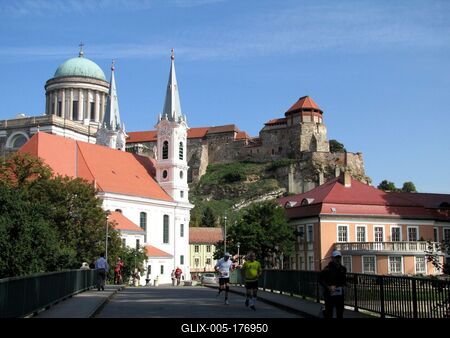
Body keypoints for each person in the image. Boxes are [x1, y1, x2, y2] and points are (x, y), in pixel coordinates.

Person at [319, 250, 347, 318]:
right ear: (332, 258)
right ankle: (324, 311)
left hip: (339, 294)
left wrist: (346, 284)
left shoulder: (343, 269)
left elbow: (343, 280)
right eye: (336, 257)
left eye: (339, 257)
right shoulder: (327, 269)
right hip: (329, 294)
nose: (337, 259)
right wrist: (328, 287)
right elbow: (320, 280)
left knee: (340, 313)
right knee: (329, 313)